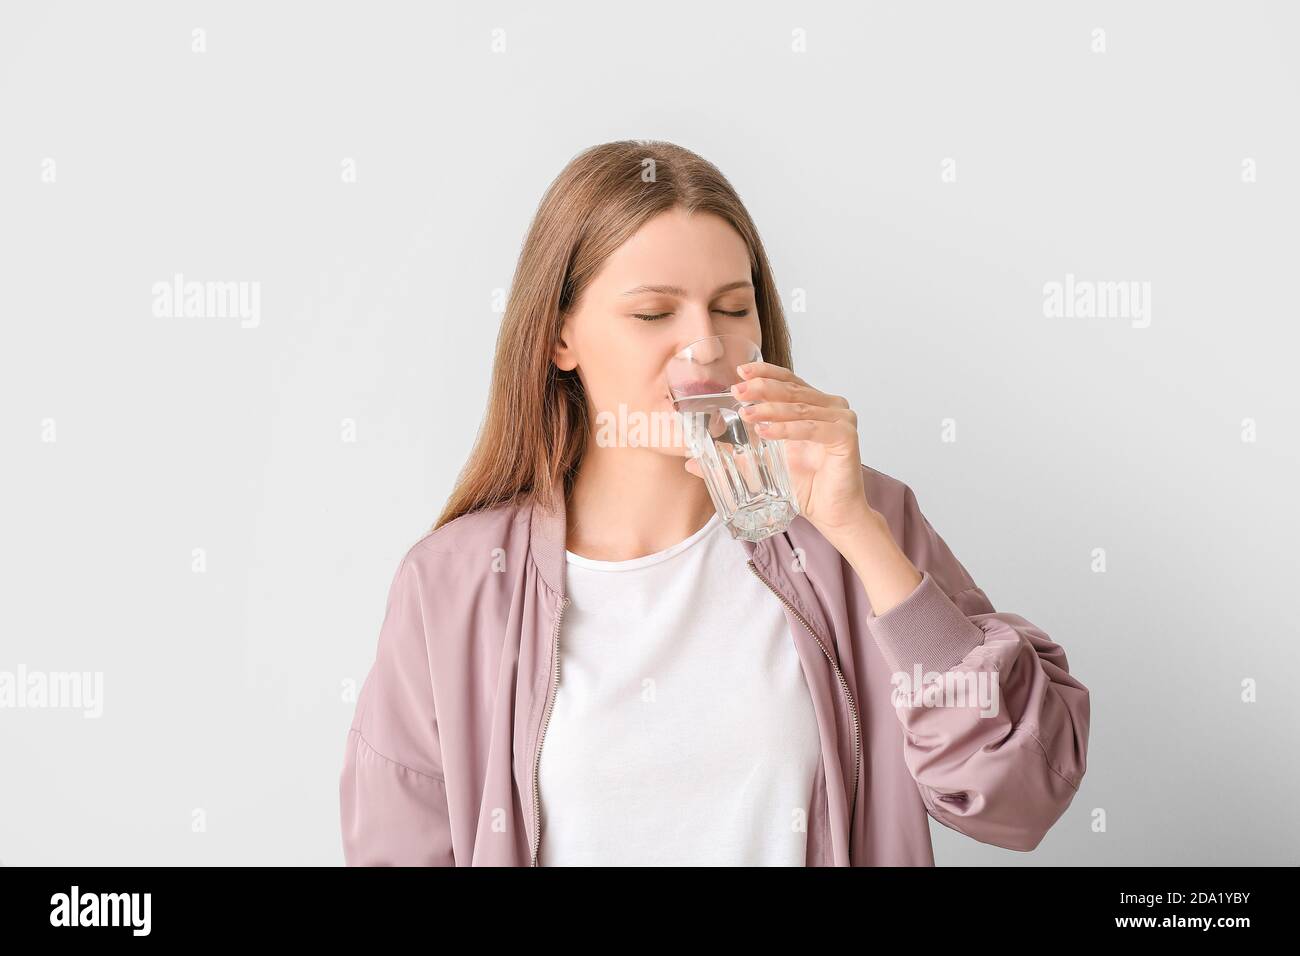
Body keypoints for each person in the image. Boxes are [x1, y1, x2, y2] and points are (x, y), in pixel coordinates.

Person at [338, 139, 1091, 866]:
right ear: (559, 336)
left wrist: (857, 532)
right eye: (653, 313)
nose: (705, 345)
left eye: (732, 308)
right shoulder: (452, 584)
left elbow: (1016, 795)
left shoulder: (864, 523)